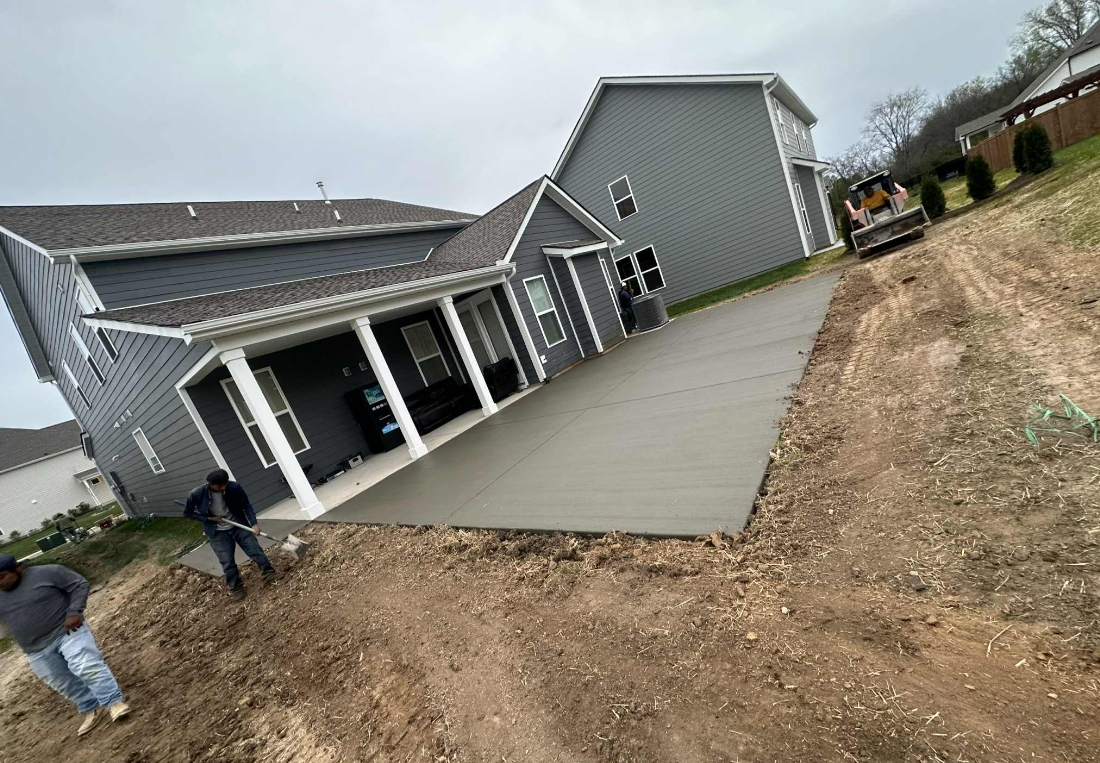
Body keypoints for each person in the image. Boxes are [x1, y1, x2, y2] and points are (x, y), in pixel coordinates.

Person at [0, 554, 130, 736]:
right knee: (62, 682)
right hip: (35, 648)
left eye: (2, 576)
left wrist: (74, 612)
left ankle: (114, 702)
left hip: (67, 632)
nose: (0, 583)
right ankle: (91, 707)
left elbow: (79, 584)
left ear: (18, 569)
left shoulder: (47, 572)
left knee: (85, 665)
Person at [183, 469, 275, 600]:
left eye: (225, 483)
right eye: (220, 486)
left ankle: (268, 572)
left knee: (254, 550)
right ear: (211, 484)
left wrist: (253, 523)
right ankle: (236, 588)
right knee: (227, 561)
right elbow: (188, 513)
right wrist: (209, 519)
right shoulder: (197, 494)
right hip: (217, 532)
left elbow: (246, 505)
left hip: (238, 524)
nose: (224, 487)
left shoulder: (234, 487)